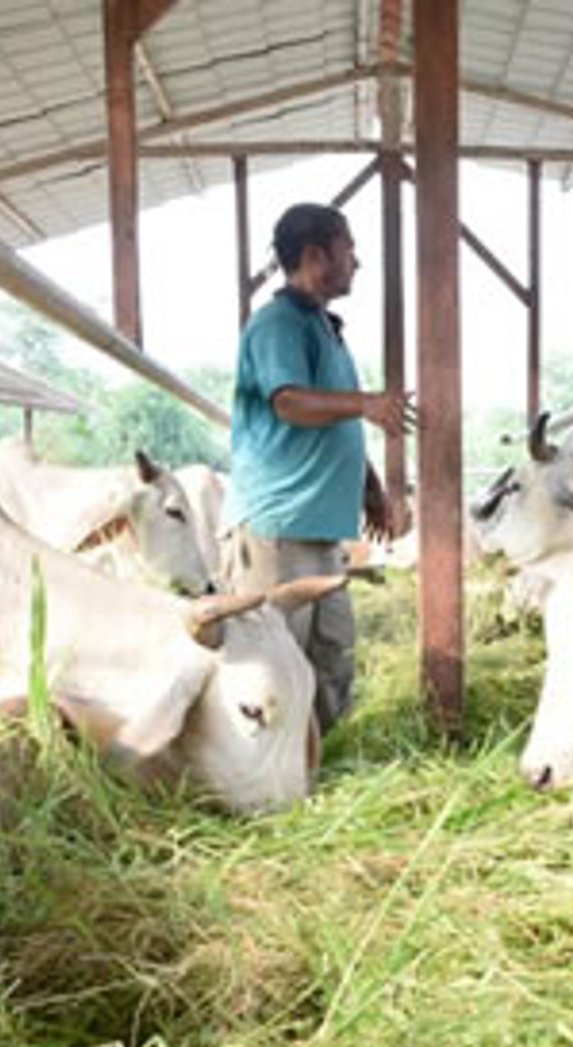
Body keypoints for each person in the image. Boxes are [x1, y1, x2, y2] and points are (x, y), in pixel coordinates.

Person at [224, 203, 415, 732]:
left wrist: (369, 488)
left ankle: (323, 760)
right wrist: (368, 404)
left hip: (321, 528)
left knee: (332, 652)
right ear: (315, 255)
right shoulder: (277, 324)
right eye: (348, 248)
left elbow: (336, 421)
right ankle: (272, 778)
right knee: (274, 661)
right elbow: (289, 402)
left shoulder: (323, 328)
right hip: (278, 528)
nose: (357, 261)